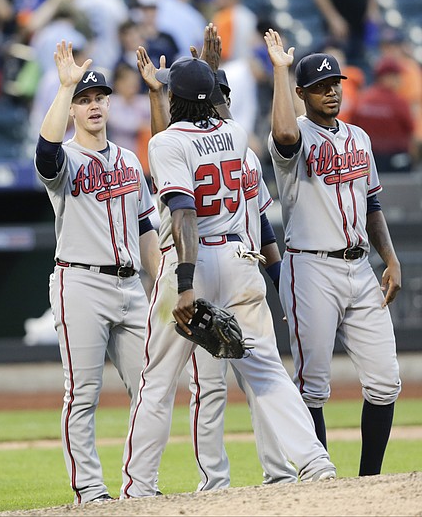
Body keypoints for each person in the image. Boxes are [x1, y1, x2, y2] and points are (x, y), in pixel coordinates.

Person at [120, 50, 337, 498]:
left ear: (176, 98)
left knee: (157, 381)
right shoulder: (237, 132)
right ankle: (315, 461)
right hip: (242, 260)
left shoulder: (163, 142)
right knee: (266, 371)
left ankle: (138, 487)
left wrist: (184, 283)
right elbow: (196, 134)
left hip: (194, 263)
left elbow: (182, 209)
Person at [264, 30, 402, 476]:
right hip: (309, 268)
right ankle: (320, 482)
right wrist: (281, 73)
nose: (332, 92)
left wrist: (391, 258)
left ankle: (368, 483)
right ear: (302, 94)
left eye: (336, 84)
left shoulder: (359, 137)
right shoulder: (293, 135)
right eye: (321, 87)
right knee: (312, 387)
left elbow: (373, 203)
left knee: (385, 381)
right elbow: (283, 133)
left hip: (360, 266)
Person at [35, 41, 161, 504]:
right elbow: (44, 155)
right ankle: (90, 490)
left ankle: (141, 485)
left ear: (110, 102)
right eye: (84, 100)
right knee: (83, 393)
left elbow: (147, 228)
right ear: (72, 109)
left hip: (130, 285)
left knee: (150, 389)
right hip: (80, 281)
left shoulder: (129, 158)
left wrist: (162, 284)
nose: (92, 105)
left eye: (98, 97)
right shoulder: (65, 160)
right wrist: (66, 87)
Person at [311, 0, 379, 69]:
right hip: (337, 28)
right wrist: (333, 19)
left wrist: (372, 10)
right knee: (336, 64)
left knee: (361, 64)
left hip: (361, 26)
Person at [350, 58, 416, 172]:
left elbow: (353, 126)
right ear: (387, 77)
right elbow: (411, 130)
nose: (400, 80)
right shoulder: (399, 102)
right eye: (397, 76)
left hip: (367, 161)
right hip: (396, 163)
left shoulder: (362, 99)